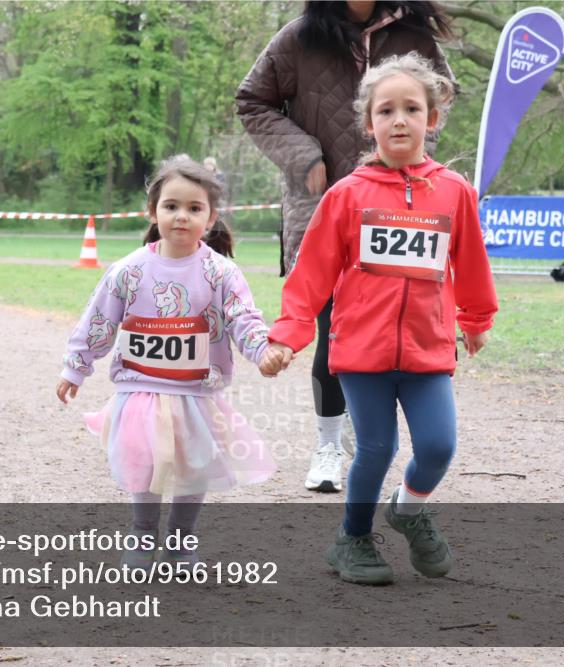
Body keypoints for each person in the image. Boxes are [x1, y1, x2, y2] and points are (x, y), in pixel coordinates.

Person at [262, 53, 497, 585]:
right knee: (377, 447)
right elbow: (312, 274)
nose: (399, 120)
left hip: (426, 350)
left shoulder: (454, 192)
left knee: (438, 446)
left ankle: (408, 509)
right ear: (369, 124)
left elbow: (471, 262)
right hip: (361, 353)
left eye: (411, 109)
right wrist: (288, 336)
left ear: (431, 119)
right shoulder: (347, 194)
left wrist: (476, 317)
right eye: (385, 110)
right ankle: (352, 539)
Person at [236, 0, 456, 493]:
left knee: (394, 320)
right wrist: (302, 154)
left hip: (401, 211)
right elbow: (251, 101)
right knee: (331, 328)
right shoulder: (299, 37)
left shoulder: (414, 34)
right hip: (320, 202)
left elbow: (441, 94)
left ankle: (369, 423)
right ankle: (328, 443)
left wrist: (413, 161)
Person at [56, 155, 278, 570]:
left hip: (196, 391)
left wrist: (263, 351)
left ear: (211, 218)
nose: (181, 216)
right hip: (141, 388)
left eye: (194, 208)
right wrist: (76, 367)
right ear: (152, 211)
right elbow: (99, 319)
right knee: (145, 460)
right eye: (171, 206)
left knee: (194, 466)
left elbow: (243, 318)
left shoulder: (221, 273)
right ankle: (143, 536)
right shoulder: (129, 270)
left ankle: (179, 543)